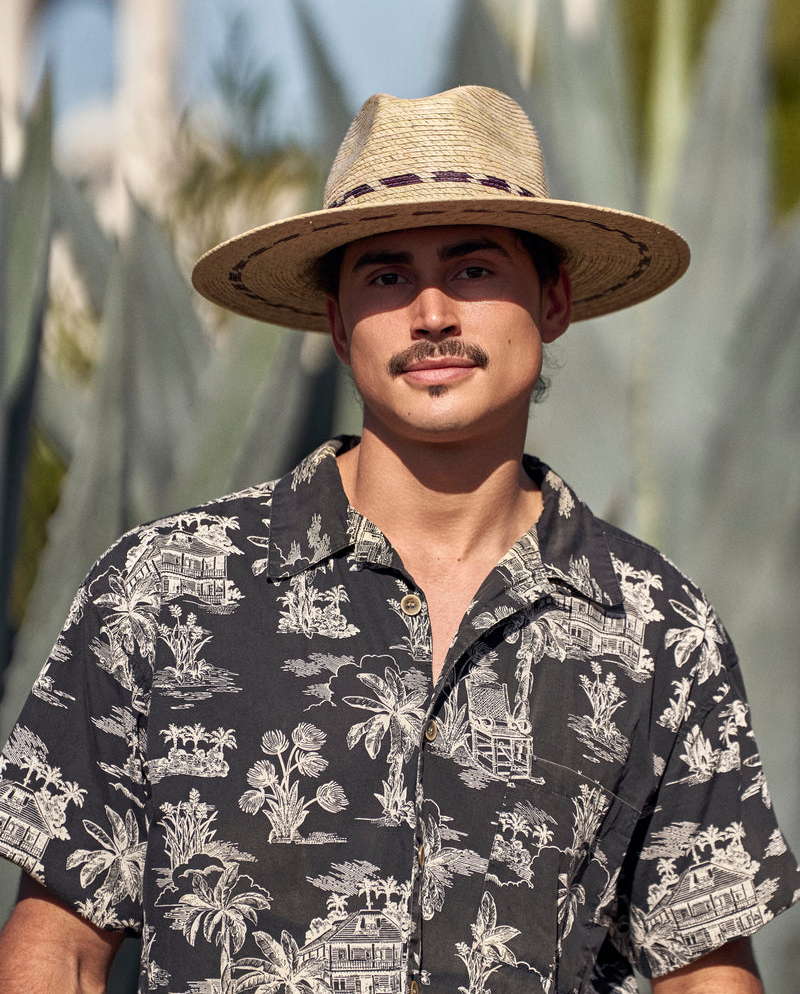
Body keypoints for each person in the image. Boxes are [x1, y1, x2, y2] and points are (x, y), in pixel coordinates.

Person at [0, 85, 796, 994]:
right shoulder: (165, 589)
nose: (431, 315)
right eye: (385, 276)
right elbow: (57, 942)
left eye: (473, 268)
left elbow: (703, 972)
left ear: (555, 297)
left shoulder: (659, 631)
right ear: (338, 322)